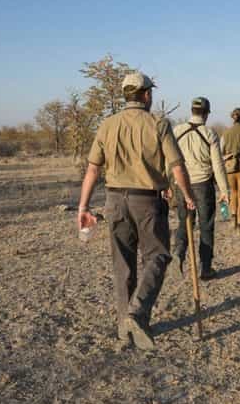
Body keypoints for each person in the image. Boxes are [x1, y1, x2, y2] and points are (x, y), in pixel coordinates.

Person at [77, 71, 196, 350]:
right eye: (150, 93)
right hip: (148, 202)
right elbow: (177, 165)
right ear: (146, 95)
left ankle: (124, 329)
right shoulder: (159, 123)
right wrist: (188, 196)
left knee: (123, 265)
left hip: (115, 200)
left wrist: (82, 206)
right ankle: (137, 313)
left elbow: (93, 168)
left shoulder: (107, 124)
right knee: (158, 256)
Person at [171, 97, 230, 280]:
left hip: (182, 186)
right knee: (206, 226)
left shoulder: (177, 131)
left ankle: (179, 253)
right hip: (203, 185)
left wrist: (167, 184)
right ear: (206, 113)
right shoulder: (209, 134)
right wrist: (224, 190)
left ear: (192, 110)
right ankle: (205, 268)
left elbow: (169, 160)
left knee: (184, 222)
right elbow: (218, 165)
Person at [221, 107, 240, 235]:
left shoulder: (226, 133)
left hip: (230, 169)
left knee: (233, 192)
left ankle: (233, 218)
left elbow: (220, 151)